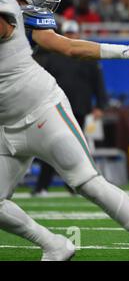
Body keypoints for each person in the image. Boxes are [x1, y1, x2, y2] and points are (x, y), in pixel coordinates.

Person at [0, 0, 129, 261]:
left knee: (89, 184)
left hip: (43, 111)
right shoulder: (12, 6)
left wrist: (117, 50)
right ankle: (53, 244)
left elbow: (65, 46)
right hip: (6, 127)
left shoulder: (8, 8)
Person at [31, 20, 108, 196]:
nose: (71, 36)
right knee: (51, 147)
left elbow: (98, 83)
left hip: (80, 108)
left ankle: (75, 185)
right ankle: (43, 185)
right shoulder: (52, 56)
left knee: (78, 148)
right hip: (55, 109)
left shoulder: (88, 57)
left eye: (74, 33)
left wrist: (100, 105)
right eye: (69, 34)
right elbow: (42, 81)